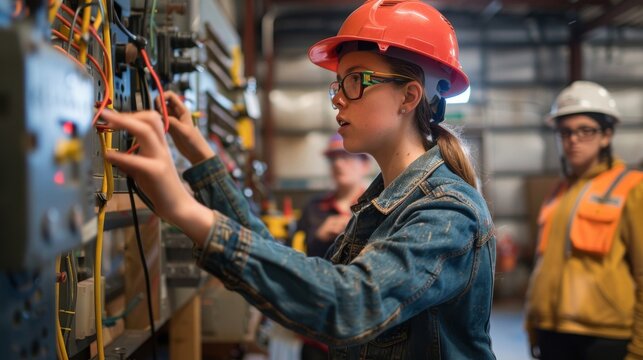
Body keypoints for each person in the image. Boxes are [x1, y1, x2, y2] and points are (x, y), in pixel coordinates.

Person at [103, 0, 496, 358]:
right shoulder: (385, 203)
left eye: (355, 80)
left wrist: (186, 210)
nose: (338, 97)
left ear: (409, 97)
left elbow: (349, 305)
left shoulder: (446, 210)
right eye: (337, 84)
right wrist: (200, 154)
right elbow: (295, 272)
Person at [524, 81, 643, 360]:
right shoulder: (558, 191)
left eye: (585, 131)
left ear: (606, 135)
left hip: (606, 338)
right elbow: (544, 264)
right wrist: (532, 323)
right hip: (552, 333)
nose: (573, 139)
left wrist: (639, 349)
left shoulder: (632, 188)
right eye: (565, 132)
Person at [294, 133, 370, 259]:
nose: (338, 164)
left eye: (346, 156)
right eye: (333, 158)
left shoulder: (377, 205)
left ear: (365, 165)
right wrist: (319, 238)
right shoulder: (313, 208)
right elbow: (299, 253)